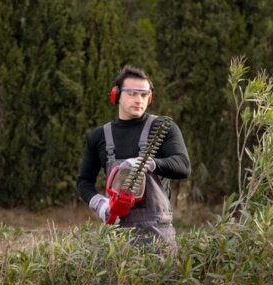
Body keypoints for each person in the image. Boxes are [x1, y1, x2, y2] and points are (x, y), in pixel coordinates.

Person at [76, 65, 190, 246]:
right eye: (132, 93)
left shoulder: (162, 127)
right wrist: (100, 204)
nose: (139, 99)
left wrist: (150, 163)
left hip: (158, 236)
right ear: (116, 95)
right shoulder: (99, 136)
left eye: (144, 94)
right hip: (117, 236)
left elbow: (183, 166)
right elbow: (83, 182)